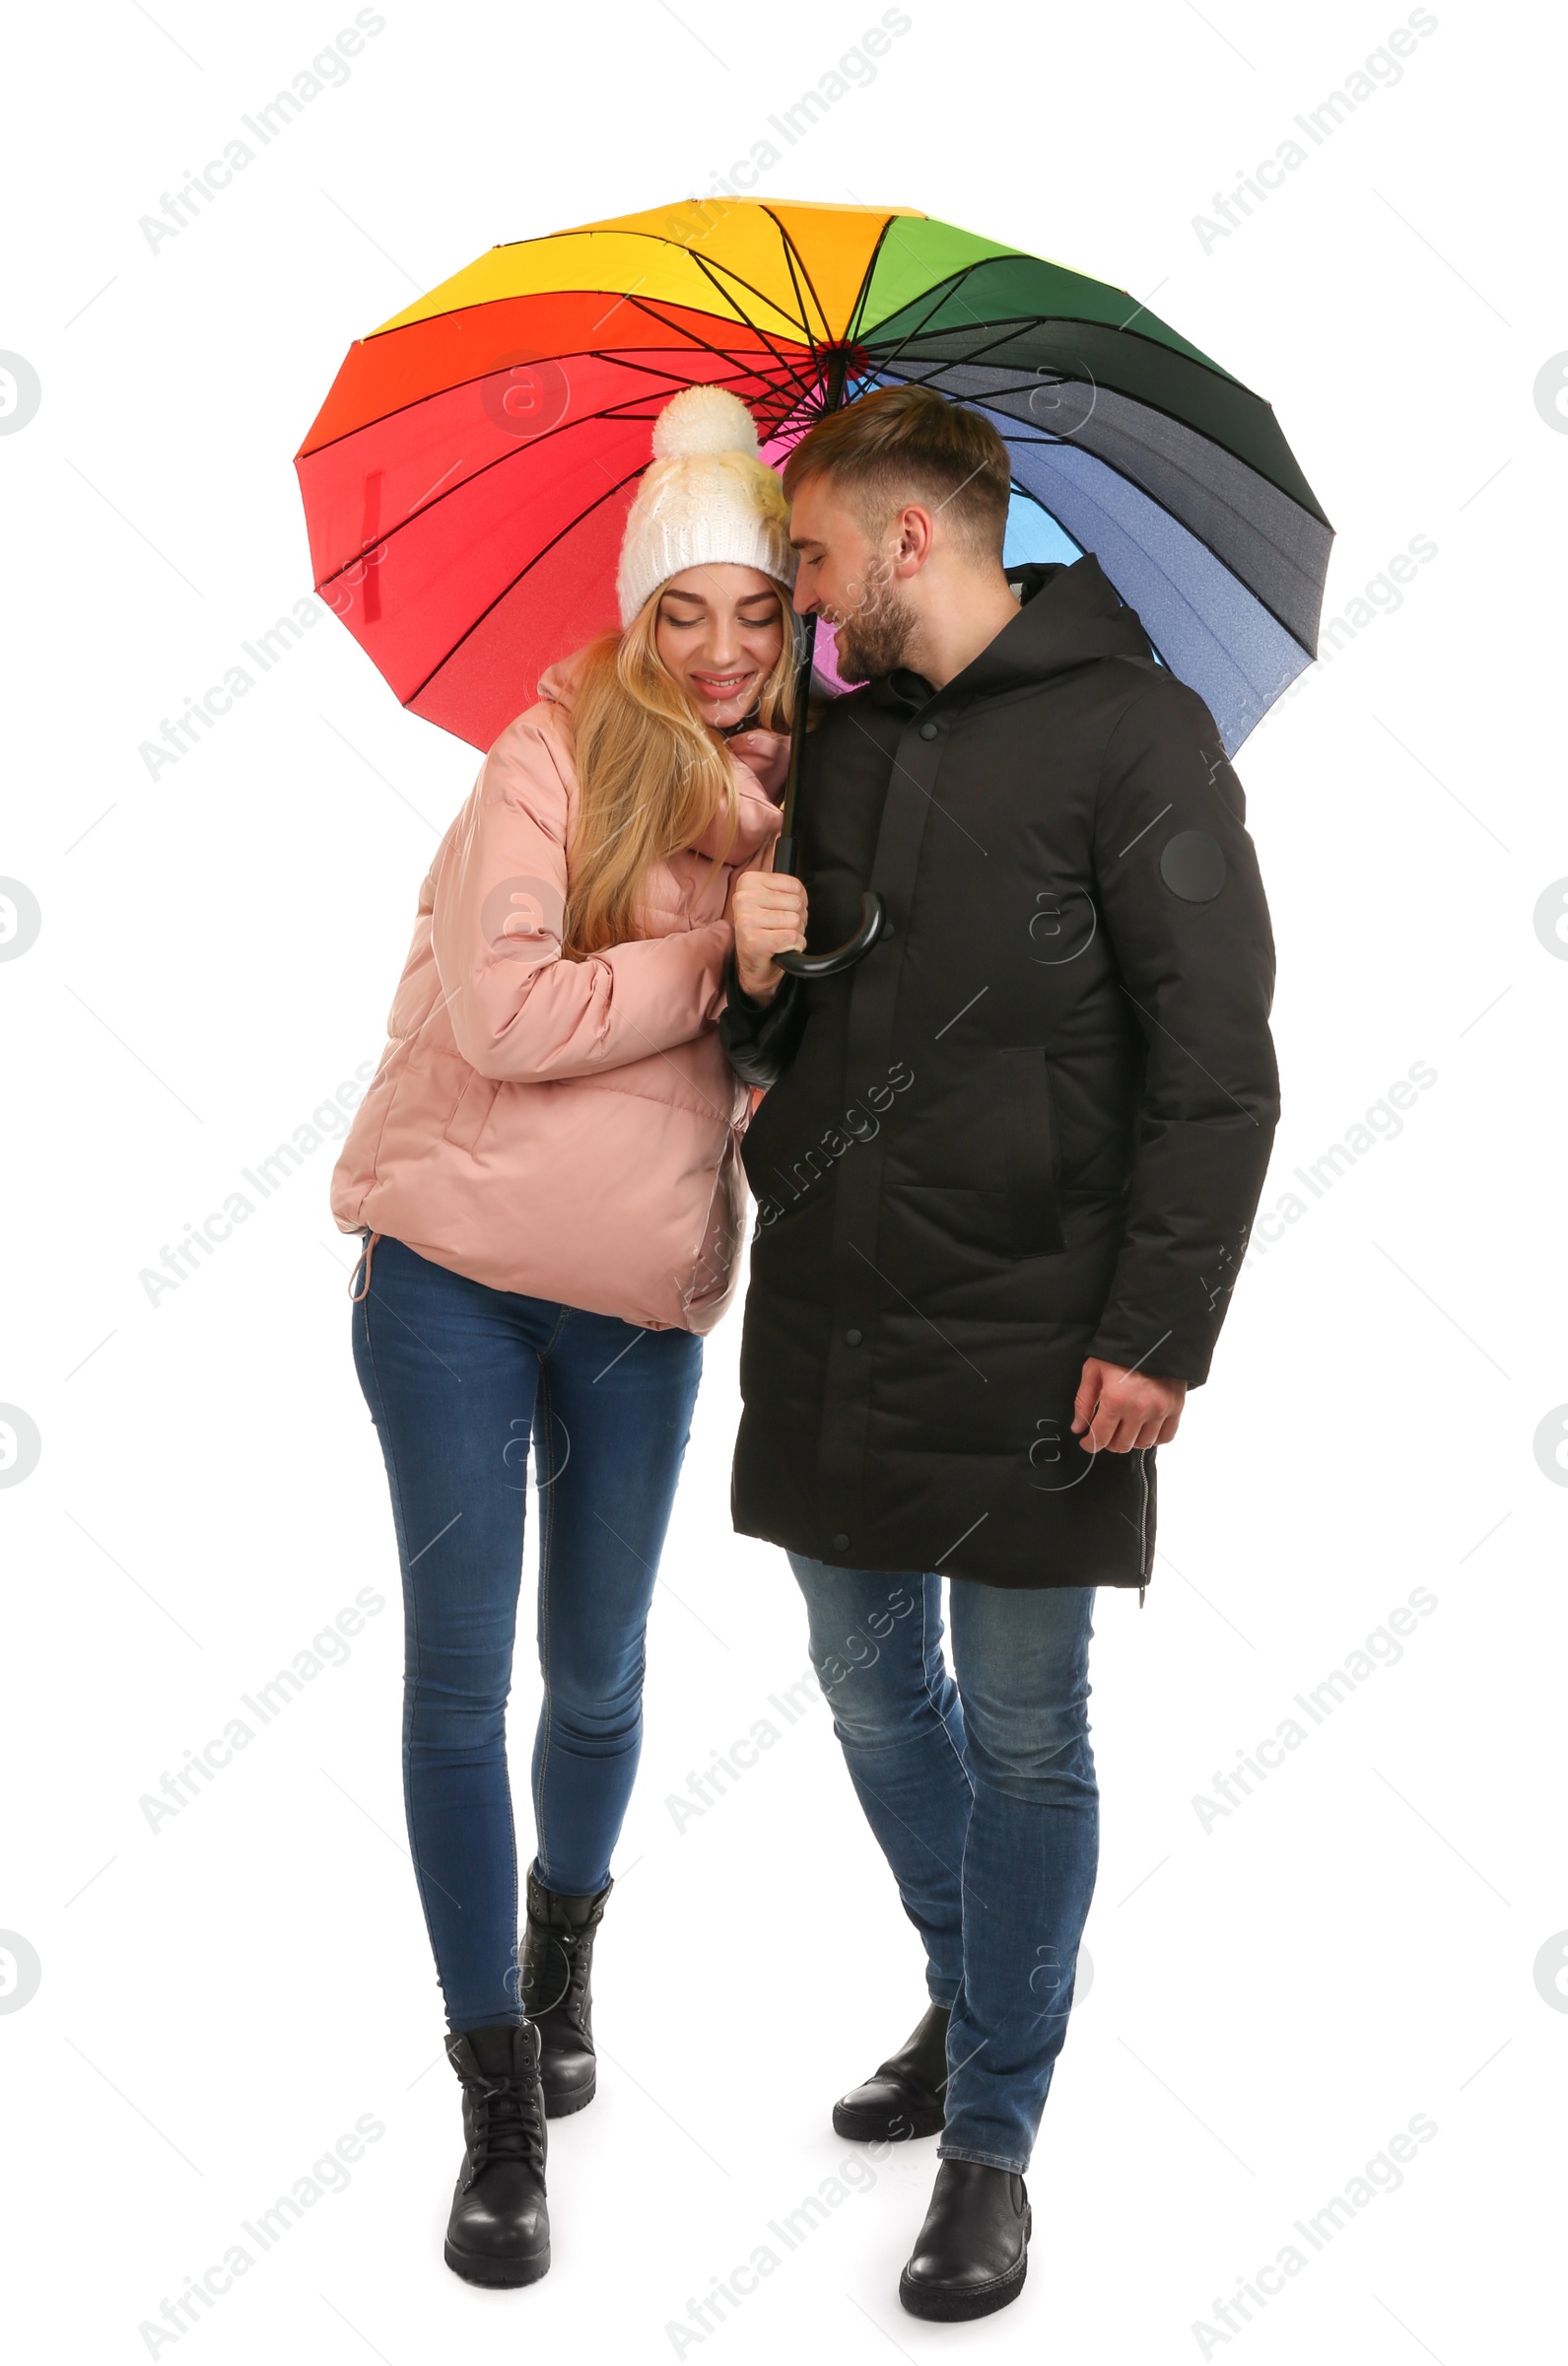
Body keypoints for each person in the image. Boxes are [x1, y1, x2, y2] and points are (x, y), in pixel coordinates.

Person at [723, 383, 1279, 2322]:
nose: (785, 591)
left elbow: (1216, 1071)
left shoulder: (1136, 735)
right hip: (832, 1316)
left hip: (1049, 1334)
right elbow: (778, 1055)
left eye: (804, 552)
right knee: (869, 1697)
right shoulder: (838, 741)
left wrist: (1154, 1334)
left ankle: (993, 2143)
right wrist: (759, 967)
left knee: (1026, 1729)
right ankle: (974, 1997)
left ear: (902, 539)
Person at [330, 384, 796, 2289]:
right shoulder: (542, 761)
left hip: (636, 1312)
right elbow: (510, 1020)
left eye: (754, 609)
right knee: (463, 1686)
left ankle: (565, 1941)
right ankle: (496, 2088)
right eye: (679, 610)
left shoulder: (819, 793)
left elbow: (805, 1066)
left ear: (795, 620)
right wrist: (710, 957)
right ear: (630, 615)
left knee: (594, 1677)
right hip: (446, 1282)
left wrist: (791, 972)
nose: (715, 649)